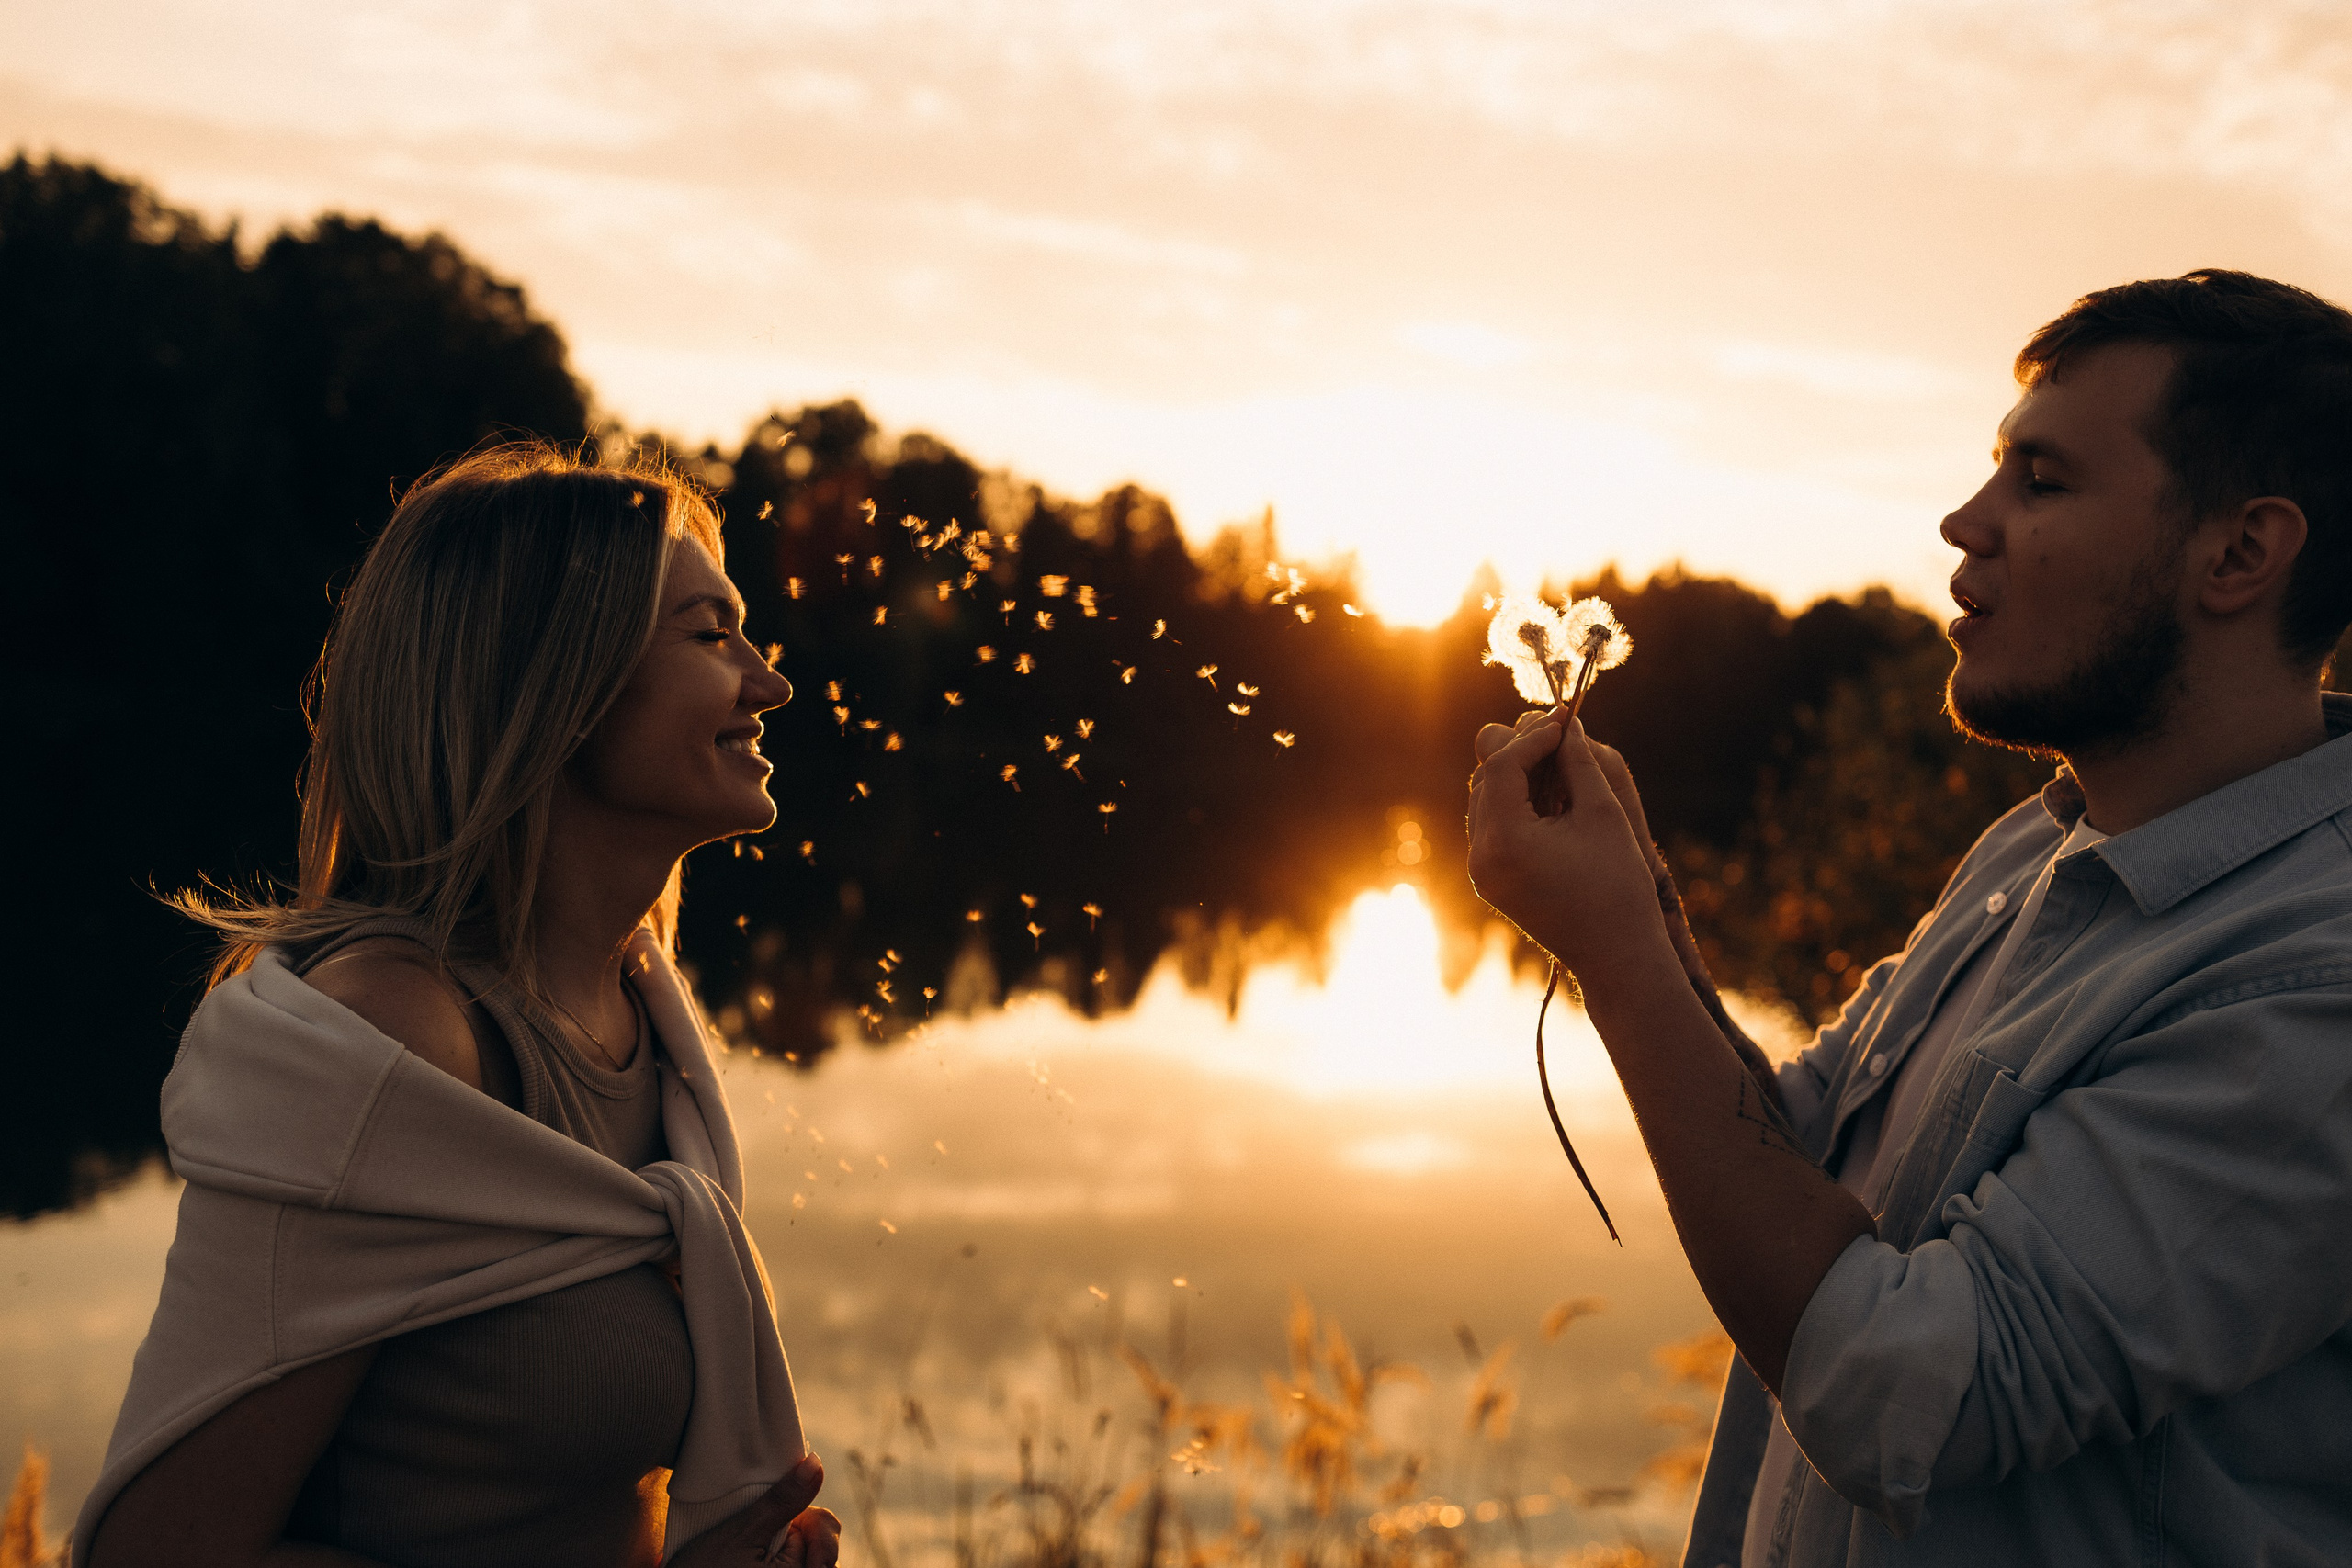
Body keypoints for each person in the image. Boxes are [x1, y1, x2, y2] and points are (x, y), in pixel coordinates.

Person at [1467, 269, 2352, 1566]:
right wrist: (1640, 910)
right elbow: (1798, 1148)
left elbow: (1902, 1392)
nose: (1962, 521)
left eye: (2040, 482)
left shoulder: (2313, 983)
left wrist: (1616, 958)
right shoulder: (2033, 847)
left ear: (2238, 554)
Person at [74, 446, 842, 1568]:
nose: (769, 683)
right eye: (710, 634)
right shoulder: (390, 1039)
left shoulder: (647, 1022)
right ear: (559, 685)